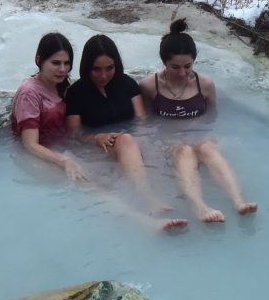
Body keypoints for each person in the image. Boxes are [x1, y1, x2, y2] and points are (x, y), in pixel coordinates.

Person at [64, 34, 187, 230]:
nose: (103, 75)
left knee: (132, 140)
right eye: (96, 69)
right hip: (97, 148)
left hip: (133, 143)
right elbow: (73, 135)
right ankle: (149, 200)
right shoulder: (76, 93)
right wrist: (96, 138)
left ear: (117, 65)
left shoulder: (127, 85)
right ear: (87, 67)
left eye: (109, 68)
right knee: (126, 139)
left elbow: (143, 122)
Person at [140, 18, 258, 223]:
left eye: (188, 66)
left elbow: (214, 116)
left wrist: (215, 137)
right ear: (164, 62)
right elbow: (144, 122)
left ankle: (238, 200)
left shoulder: (205, 84)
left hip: (200, 134)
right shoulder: (149, 85)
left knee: (207, 148)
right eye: (175, 67)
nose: (182, 73)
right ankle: (200, 207)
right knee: (184, 150)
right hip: (169, 140)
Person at [12, 32, 84, 180]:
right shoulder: (29, 93)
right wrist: (64, 161)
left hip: (61, 147)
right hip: (38, 156)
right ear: (39, 61)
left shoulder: (60, 86)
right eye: (56, 63)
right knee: (91, 185)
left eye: (67, 63)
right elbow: (30, 144)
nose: (63, 69)